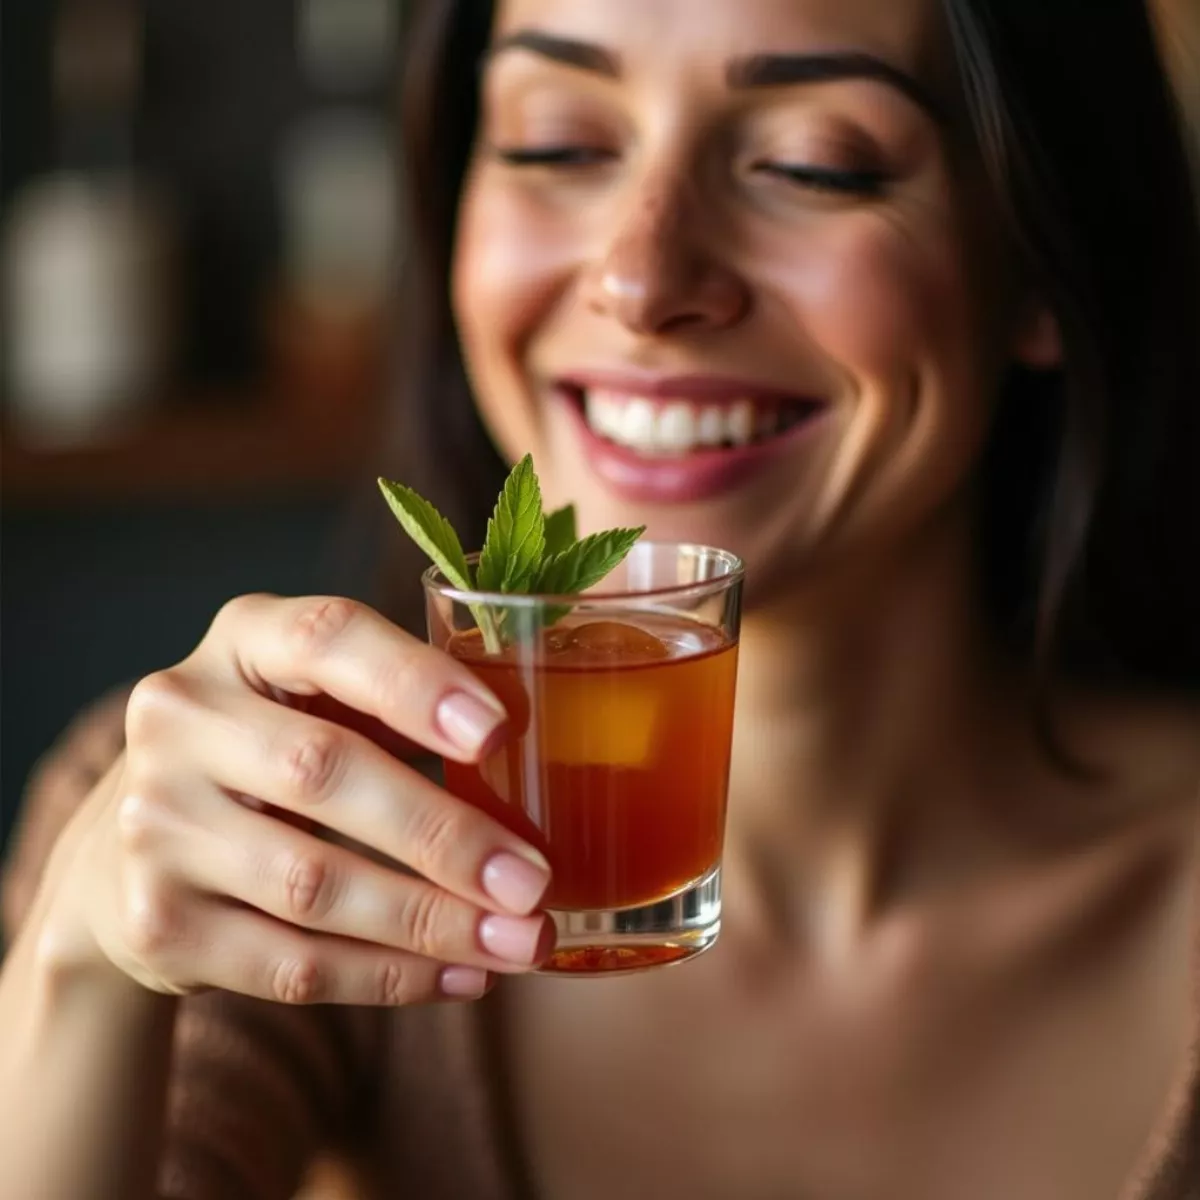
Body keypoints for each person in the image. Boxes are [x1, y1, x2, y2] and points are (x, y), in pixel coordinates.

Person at [3, 0, 1199, 1197]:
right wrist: (82, 972)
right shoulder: (233, 825)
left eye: (810, 164)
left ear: (1045, 254)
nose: (641, 278)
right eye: (558, 143)